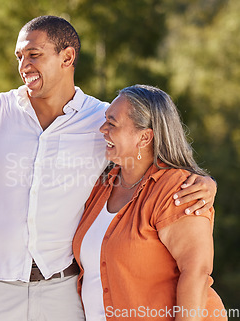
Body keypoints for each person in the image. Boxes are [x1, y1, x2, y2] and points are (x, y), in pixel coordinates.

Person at [0, 16, 217, 320]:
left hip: (62, 291)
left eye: (34, 54)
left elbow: (155, 151)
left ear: (68, 57)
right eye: (19, 56)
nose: (23, 65)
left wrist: (203, 181)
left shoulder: (103, 119)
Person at [72, 85, 225, 321]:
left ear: (144, 137)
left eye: (112, 124)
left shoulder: (178, 189)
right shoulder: (102, 185)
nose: (102, 129)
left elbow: (196, 272)